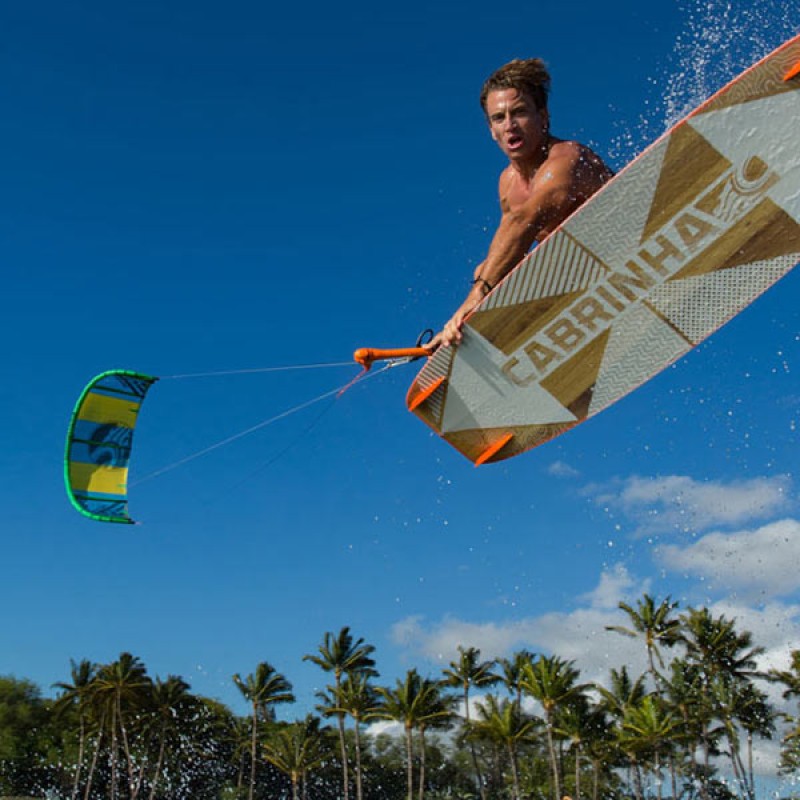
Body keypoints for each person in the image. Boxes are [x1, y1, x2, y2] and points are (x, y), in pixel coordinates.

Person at [430, 58, 614, 349]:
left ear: (543, 117)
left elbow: (525, 222)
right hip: (578, 279)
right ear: (491, 130)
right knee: (483, 270)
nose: (510, 126)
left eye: (519, 113)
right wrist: (463, 320)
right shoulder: (508, 184)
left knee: (486, 281)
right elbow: (507, 247)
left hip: (619, 247)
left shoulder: (567, 158)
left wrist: (476, 297)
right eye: (499, 118)